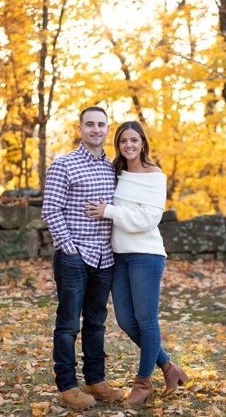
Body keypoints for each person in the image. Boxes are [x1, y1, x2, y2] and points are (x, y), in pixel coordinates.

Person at [85, 121, 188, 405]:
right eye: (122, 141)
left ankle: (143, 384)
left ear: (143, 142)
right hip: (119, 255)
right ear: (117, 145)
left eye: (134, 140)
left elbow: (147, 220)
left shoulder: (155, 176)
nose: (128, 145)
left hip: (146, 255)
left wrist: (108, 211)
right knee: (126, 321)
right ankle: (169, 368)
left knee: (146, 320)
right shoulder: (115, 173)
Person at [41, 106, 125, 410]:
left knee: (96, 322)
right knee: (67, 324)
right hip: (74, 256)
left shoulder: (112, 168)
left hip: (105, 257)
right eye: (90, 124)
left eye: (101, 125)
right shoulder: (63, 164)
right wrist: (69, 248)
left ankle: (96, 380)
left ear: (106, 129)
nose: (96, 129)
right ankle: (67, 386)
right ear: (80, 129)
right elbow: (51, 210)